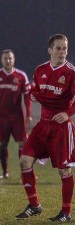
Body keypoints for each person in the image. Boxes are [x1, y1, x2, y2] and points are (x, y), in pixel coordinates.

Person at [16, 34, 75, 222]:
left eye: (65, 48)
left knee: (64, 171)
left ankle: (66, 212)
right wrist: (34, 96)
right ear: (50, 50)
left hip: (62, 128)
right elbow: (35, 91)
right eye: (58, 48)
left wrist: (68, 113)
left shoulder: (72, 72)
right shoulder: (40, 70)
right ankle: (34, 205)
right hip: (43, 125)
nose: (62, 52)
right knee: (24, 161)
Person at [0, 50, 32, 179]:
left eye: (10, 58)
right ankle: (5, 172)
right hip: (1, 117)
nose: (8, 60)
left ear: (14, 59)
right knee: (2, 145)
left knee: (23, 144)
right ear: (2, 60)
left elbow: (27, 96)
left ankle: (25, 173)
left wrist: (28, 114)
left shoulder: (21, 76)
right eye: (5, 58)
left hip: (17, 117)